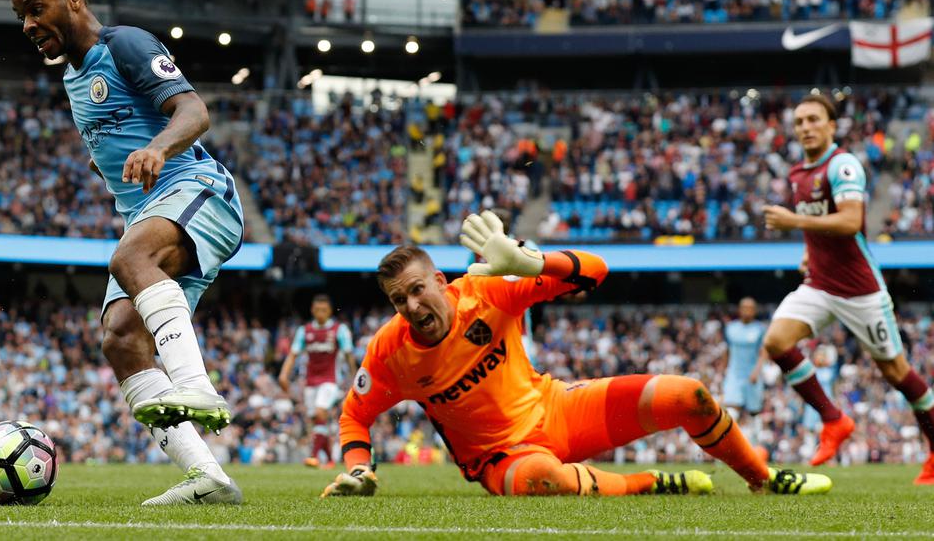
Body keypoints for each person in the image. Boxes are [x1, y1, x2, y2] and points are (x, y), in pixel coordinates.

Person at [322, 211, 830, 498]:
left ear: (439, 281)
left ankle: (764, 482)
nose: (411, 307)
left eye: (416, 290)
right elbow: (354, 416)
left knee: (689, 395)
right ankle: (652, 484)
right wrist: (362, 469)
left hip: (558, 409)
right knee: (547, 480)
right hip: (504, 459)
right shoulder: (390, 349)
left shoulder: (487, 291)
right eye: (398, 300)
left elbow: (597, 269)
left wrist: (529, 260)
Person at [11, 0, 244, 505]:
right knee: (119, 338)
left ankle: (196, 387)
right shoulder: (72, 75)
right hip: (149, 211)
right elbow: (117, 136)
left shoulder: (125, 45)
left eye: (35, 8)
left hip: (198, 190)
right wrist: (115, 162)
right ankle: (208, 479)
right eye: (20, 16)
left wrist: (158, 147)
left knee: (127, 260)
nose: (27, 26)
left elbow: (193, 112)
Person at [762, 93, 934, 484]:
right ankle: (833, 420)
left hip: (860, 290)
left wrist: (792, 222)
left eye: (813, 120)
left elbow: (850, 221)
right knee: (776, 342)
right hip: (820, 284)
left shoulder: (842, 166)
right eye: (800, 121)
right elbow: (815, 224)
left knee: (896, 371)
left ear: (831, 125)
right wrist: (808, 253)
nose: (806, 127)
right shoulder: (797, 174)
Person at [277, 294, 357, 467]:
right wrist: (284, 374)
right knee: (316, 420)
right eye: (317, 309)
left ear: (329, 311)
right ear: (312, 310)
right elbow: (293, 354)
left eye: (324, 310)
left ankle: (313, 455)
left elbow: (349, 356)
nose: (320, 313)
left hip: (331, 380)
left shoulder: (339, 330)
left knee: (321, 413)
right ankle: (329, 460)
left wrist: (354, 378)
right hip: (310, 382)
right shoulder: (304, 331)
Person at [722, 297, 768, 444]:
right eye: (744, 307)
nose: (747, 310)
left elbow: (764, 352)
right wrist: (724, 369)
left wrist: (757, 371)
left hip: (752, 375)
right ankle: (727, 445)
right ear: (740, 310)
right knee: (731, 409)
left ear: (754, 311)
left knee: (754, 412)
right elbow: (728, 350)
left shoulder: (760, 329)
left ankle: (756, 446)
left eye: (750, 308)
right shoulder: (731, 328)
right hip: (734, 375)